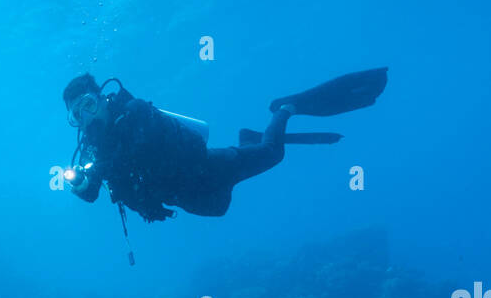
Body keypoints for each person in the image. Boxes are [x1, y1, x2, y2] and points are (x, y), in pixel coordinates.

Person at [62, 68, 387, 222]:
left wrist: (99, 169)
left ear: (103, 98)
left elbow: (136, 149)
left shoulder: (134, 113)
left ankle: (285, 109)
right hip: (193, 198)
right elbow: (93, 192)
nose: (86, 118)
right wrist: (80, 185)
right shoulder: (94, 152)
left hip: (211, 170)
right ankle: (249, 140)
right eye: (77, 115)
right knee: (219, 209)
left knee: (273, 153)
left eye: (88, 105)